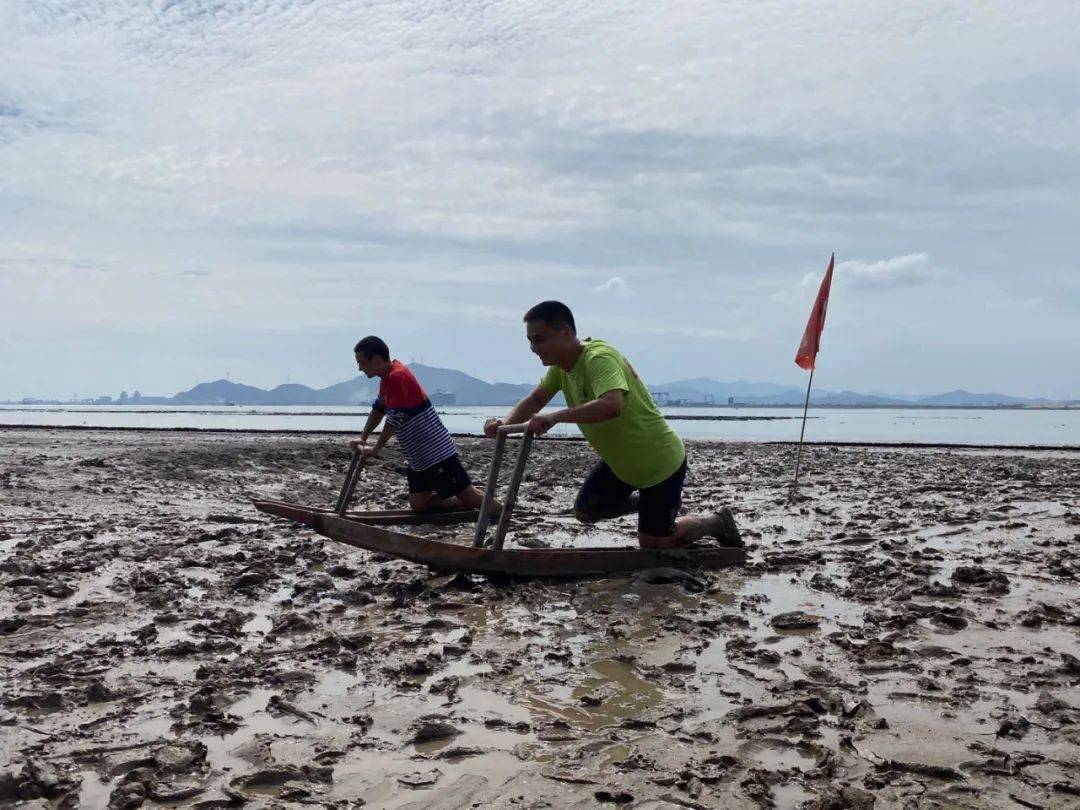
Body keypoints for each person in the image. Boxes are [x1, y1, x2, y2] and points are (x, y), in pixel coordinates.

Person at [484, 301, 740, 550]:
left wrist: (555, 417)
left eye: (539, 339)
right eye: (530, 340)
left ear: (566, 332)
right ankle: (650, 505)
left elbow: (611, 405)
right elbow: (536, 399)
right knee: (586, 512)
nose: (533, 348)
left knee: (655, 544)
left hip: (659, 462)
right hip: (622, 464)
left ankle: (716, 522)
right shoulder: (561, 368)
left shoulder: (599, 358)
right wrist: (504, 424)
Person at [351, 336, 491, 514]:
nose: (359, 368)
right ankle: (474, 498)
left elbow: (394, 419)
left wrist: (376, 448)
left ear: (377, 360)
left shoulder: (397, 376)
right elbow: (379, 409)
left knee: (469, 496)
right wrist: (362, 437)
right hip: (419, 457)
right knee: (419, 505)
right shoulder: (386, 378)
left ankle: (501, 513)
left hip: (435, 452)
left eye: (362, 363)